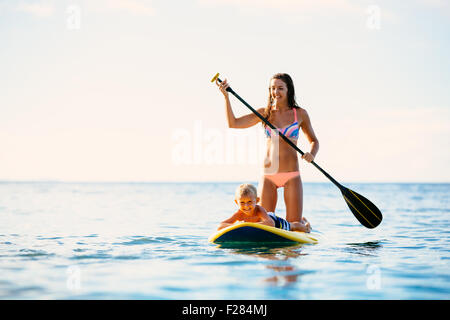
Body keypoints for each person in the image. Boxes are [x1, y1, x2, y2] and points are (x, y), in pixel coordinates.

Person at [216, 73, 318, 231]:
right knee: (263, 225)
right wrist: (226, 97)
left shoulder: (300, 114)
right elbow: (233, 123)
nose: (275, 92)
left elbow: (314, 141)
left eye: (280, 88)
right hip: (268, 175)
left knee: (294, 227)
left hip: (292, 174)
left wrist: (311, 153)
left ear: (289, 90)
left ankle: (305, 226)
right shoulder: (265, 113)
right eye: (272, 88)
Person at [217, 184, 311, 232]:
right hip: (262, 225)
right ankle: (302, 221)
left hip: (275, 222)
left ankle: (306, 226)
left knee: (292, 226)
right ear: (236, 202)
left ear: (257, 200)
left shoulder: (259, 210)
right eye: (242, 203)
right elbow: (220, 226)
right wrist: (238, 225)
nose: (246, 206)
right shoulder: (239, 214)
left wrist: (250, 225)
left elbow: (271, 223)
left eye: (250, 202)